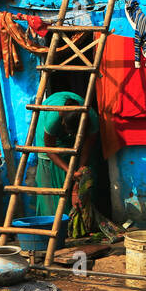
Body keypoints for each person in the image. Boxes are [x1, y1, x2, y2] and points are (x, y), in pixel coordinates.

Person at [33, 91, 100, 240]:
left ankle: (76, 226)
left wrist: (79, 174)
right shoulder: (53, 119)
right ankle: (55, 227)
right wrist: (70, 172)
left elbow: (86, 150)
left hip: (75, 138)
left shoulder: (92, 119)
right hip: (50, 147)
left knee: (79, 180)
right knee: (53, 188)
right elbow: (49, 150)